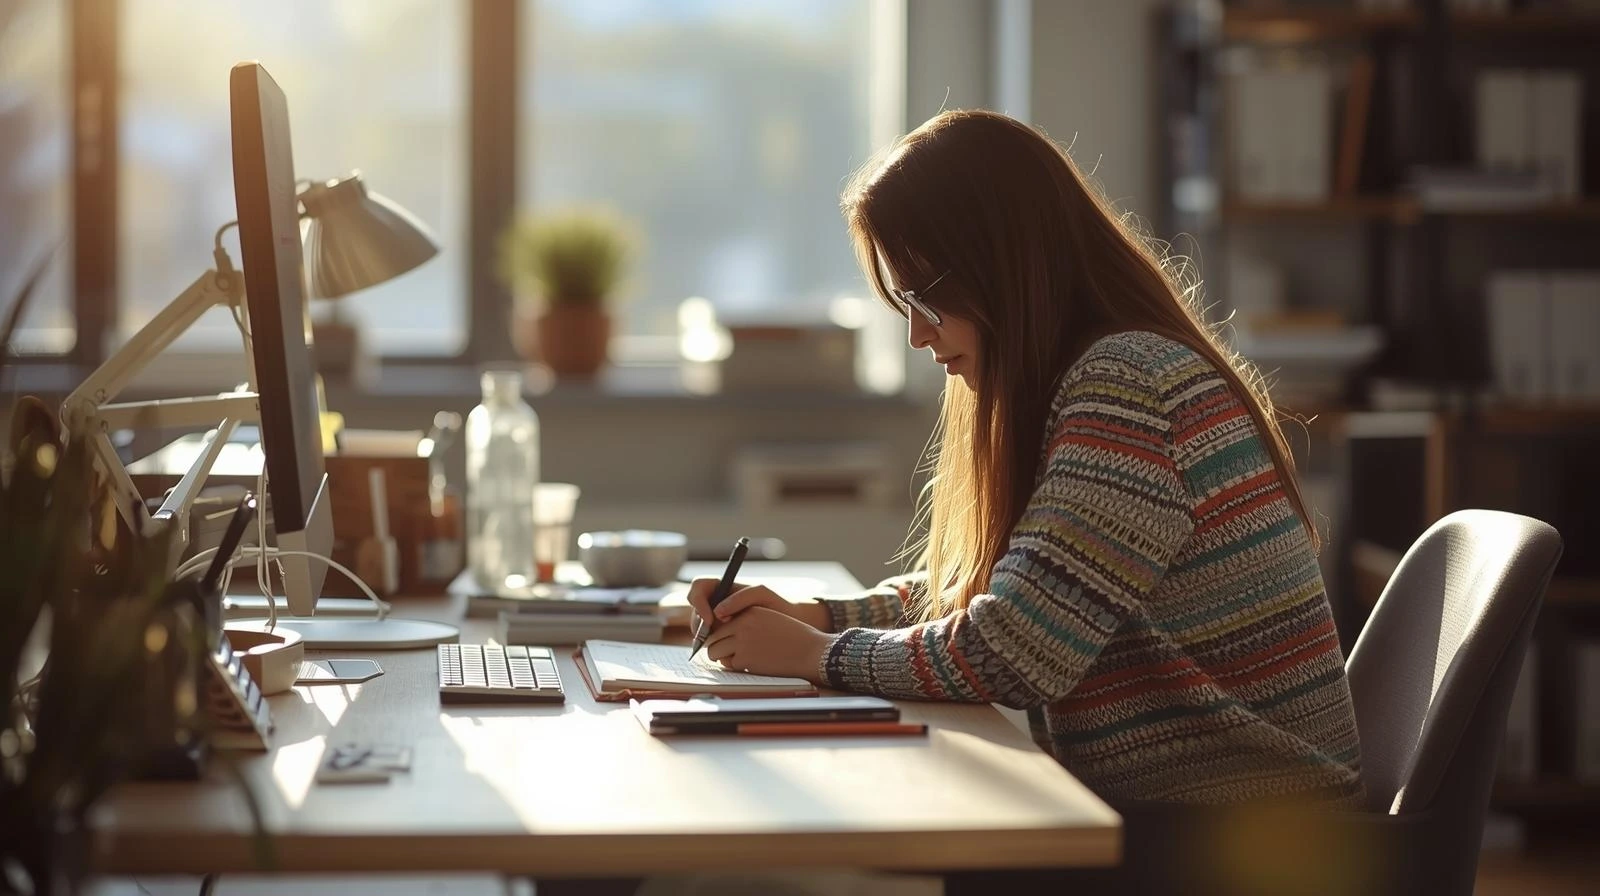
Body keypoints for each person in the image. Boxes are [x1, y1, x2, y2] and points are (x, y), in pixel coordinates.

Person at [688, 109, 1363, 824]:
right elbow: (1011, 594)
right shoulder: (1107, 372)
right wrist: (815, 616)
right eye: (902, 304)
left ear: (1004, 263)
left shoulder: (1130, 385)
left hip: (1242, 843)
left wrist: (820, 653)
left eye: (924, 297)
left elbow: (1011, 650)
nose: (917, 334)